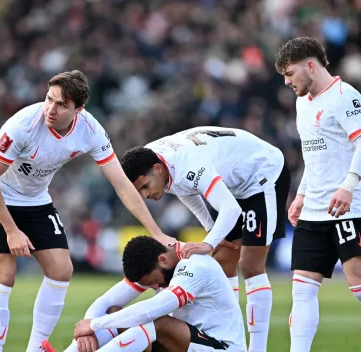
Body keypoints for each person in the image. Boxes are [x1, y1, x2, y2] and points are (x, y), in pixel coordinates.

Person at [0, 70, 172, 352]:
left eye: (61, 105)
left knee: (61, 270)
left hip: (35, 198)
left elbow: (123, 186)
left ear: (79, 109)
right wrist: (11, 230)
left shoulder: (90, 131)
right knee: (4, 275)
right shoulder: (23, 124)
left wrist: (156, 232)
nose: (50, 109)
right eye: (48, 99)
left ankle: (36, 349)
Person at [120, 127, 291, 352]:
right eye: (138, 191)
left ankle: (257, 349)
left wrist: (208, 242)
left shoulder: (185, 163)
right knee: (222, 262)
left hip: (262, 173)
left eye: (145, 187)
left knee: (250, 265)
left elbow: (230, 209)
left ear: (158, 169)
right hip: (234, 182)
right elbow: (185, 189)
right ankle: (230, 339)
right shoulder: (155, 161)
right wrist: (210, 228)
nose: (145, 196)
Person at [275, 37, 361, 352]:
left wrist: (348, 186)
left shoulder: (344, 96)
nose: (287, 82)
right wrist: (300, 195)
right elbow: (315, 157)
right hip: (314, 209)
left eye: (290, 73)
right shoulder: (302, 103)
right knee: (302, 290)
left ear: (311, 65)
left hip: (350, 209)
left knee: (358, 286)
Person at [42, 236, 246, 352]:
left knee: (157, 322)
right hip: (189, 345)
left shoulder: (195, 264)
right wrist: (89, 327)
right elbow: (107, 302)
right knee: (116, 313)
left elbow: (155, 309)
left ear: (162, 260)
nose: (156, 286)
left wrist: (96, 325)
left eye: (154, 282)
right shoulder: (159, 265)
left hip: (222, 347)